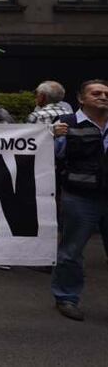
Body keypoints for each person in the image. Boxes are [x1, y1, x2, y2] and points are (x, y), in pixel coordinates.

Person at [50, 79, 108, 321]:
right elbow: (48, 157)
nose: (103, 97)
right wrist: (50, 137)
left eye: (106, 93)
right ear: (81, 98)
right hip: (80, 197)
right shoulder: (65, 125)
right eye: (97, 93)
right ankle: (66, 298)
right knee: (71, 251)